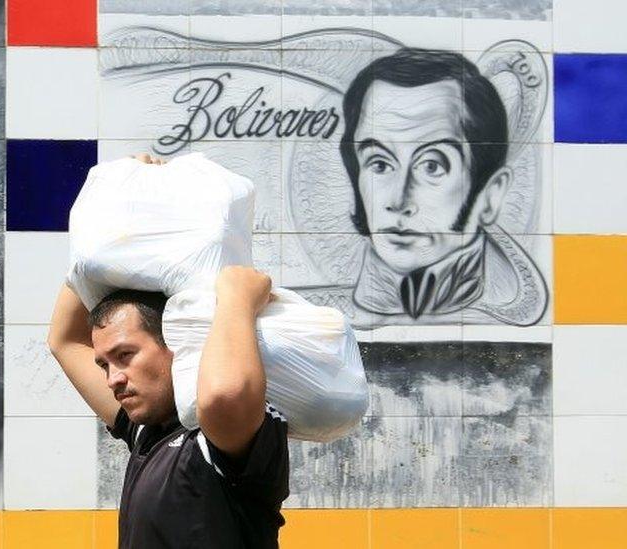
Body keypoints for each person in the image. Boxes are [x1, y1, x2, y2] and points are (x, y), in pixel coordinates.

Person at [49, 251, 289, 547]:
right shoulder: (144, 431)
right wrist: (99, 248)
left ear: (177, 343)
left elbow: (225, 394)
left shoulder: (217, 438)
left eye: (125, 355)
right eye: (104, 364)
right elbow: (65, 341)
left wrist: (237, 297)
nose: (113, 379)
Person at [295, 48, 547, 326]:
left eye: (432, 166)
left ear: (491, 195)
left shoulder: (499, 327)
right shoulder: (307, 322)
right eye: (380, 164)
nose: (399, 200)